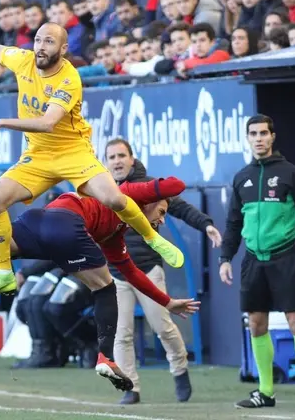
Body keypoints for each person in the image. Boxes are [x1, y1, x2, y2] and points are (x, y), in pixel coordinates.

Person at [0, 22, 183, 299]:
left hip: (73, 152)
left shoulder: (69, 78)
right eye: (38, 40)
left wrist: (1, 122)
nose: (41, 48)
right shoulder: (24, 60)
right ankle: (4, 273)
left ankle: (154, 239)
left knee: (114, 200)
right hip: (38, 157)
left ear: (64, 48)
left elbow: (47, 123)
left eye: (49, 43)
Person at [0, 178, 199, 392]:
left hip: (39, 223)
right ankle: (105, 356)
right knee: (105, 289)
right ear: (149, 203)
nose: (159, 221)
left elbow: (132, 273)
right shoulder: (125, 194)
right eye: (161, 212)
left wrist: (166, 301)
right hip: (66, 224)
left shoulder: (115, 234)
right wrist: (154, 190)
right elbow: (173, 186)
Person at [220, 114, 295, 410]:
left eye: (263, 133)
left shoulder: (291, 173)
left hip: (285, 258)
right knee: (256, 324)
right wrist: (225, 258)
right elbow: (232, 222)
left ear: (272, 136)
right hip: (253, 261)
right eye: (253, 133)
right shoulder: (242, 176)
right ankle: (265, 392)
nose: (258, 138)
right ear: (248, 138)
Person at [105, 138, 223, 405]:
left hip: (147, 269)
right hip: (116, 273)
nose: (117, 161)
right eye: (111, 157)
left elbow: (180, 208)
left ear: (132, 159)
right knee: (121, 334)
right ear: (106, 162)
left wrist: (206, 225)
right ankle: (130, 387)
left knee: (163, 327)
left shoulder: (148, 186)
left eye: (121, 155)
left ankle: (180, 370)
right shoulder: (104, 188)